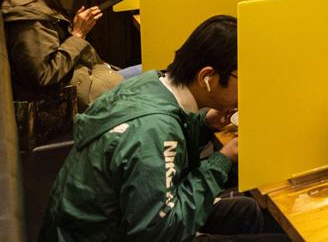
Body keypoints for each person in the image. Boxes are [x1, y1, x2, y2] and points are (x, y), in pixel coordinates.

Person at [41, 15, 286, 241]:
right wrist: (221, 161)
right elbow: (158, 232)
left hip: (107, 222)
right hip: (113, 235)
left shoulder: (151, 84)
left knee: (245, 210)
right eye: (242, 79)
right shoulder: (153, 132)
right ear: (207, 78)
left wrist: (204, 123)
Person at [1, 0, 133, 111]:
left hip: (83, 79)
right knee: (158, 79)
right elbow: (44, 74)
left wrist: (72, 29)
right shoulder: (27, 14)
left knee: (154, 74)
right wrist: (77, 35)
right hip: (70, 97)